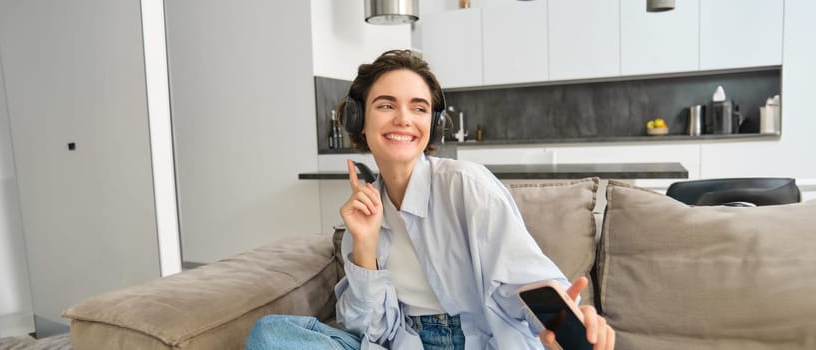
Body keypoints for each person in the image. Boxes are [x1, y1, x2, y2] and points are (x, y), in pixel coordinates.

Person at [247, 50, 614, 350]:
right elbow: (369, 330)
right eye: (386, 105)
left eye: (419, 108)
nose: (404, 119)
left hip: (475, 344)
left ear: (433, 124)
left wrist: (572, 320)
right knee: (271, 334)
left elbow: (526, 285)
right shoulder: (364, 211)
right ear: (360, 119)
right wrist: (364, 245)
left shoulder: (467, 186)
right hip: (402, 344)